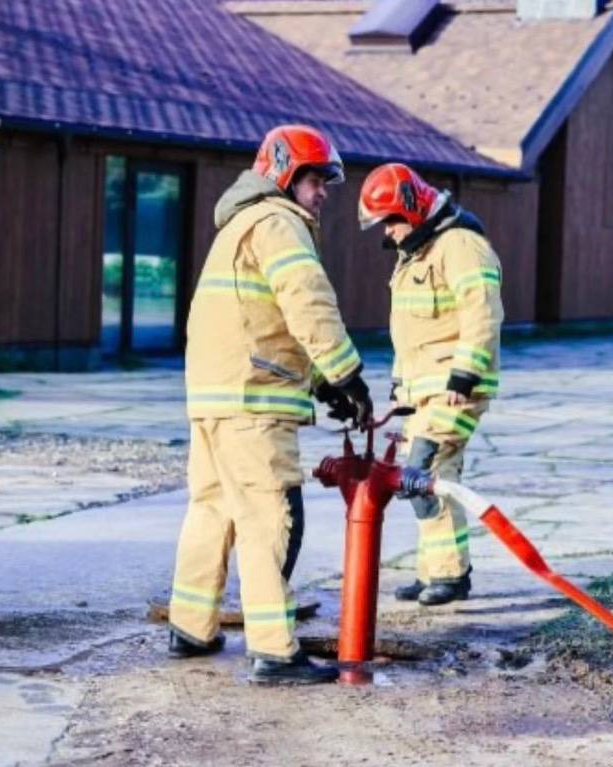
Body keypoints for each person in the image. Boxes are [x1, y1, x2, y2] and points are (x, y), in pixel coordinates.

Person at [169, 124, 372, 685]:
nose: (324, 192)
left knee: (211, 511)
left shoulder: (238, 225)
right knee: (270, 519)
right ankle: (275, 651)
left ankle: (190, 627)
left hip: (214, 398)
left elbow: (258, 325)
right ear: (283, 172)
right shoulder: (279, 223)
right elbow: (307, 301)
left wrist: (320, 384)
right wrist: (347, 374)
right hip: (253, 406)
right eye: (315, 179)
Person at [357, 163, 503, 606]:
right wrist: (400, 390)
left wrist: (465, 374)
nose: (390, 233)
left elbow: (483, 313)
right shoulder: (417, 255)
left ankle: (449, 576)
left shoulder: (460, 245)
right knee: (429, 478)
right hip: (424, 391)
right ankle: (440, 573)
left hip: (455, 386)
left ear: (413, 209)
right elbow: (413, 333)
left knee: (424, 472)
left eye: (392, 222)